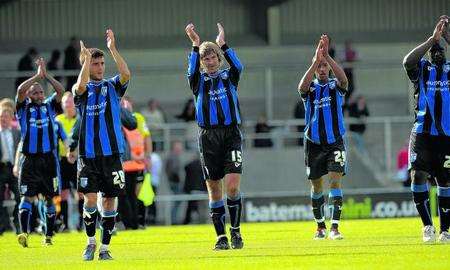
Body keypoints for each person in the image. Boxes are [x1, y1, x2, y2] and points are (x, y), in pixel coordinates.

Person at [70, 29, 131, 260]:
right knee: (90, 199)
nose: (100, 67)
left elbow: (126, 74)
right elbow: (81, 86)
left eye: (102, 63)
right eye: (95, 63)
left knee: (109, 199)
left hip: (112, 154)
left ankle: (105, 248)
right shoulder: (81, 91)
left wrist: (113, 49)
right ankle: (90, 243)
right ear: (87, 65)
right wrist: (84, 63)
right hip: (89, 155)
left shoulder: (112, 86)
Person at [185, 22, 244, 250]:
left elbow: (239, 66)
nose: (209, 63)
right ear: (202, 62)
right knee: (214, 189)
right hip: (208, 137)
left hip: (231, 135)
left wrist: (224, 45)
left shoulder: (230, 76)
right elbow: (191, 70)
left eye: (213, 58)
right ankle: (221, 237)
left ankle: (236, 232)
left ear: (219, 59)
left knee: (231, 186)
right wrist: (194, 44)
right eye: (205, 59)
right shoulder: (197, 80)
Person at [402, 15, 450, 243]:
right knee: (417, 174)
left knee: (445, 181)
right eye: (434, 49)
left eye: (441, 48)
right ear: (430, 53)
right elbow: (407, 61)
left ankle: (445, 231)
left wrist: (447, 37)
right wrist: (432, 39)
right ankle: (427, 227)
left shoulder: (449, 70)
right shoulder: (422, 69)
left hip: (446, 136)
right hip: (421, 132)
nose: (438, 50)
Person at [297, 34, 348, 240]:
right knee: (317, 185)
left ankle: (335, 228)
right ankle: (320, 227)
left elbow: (344, 79)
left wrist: (326, 56)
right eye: (319, 66)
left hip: (335, 141)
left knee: (335, 183)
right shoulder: (309, 89)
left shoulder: (336, 86)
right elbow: (301, 87)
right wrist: (315, 61)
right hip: (314, 143)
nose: (322, 69)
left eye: (324, 66)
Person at [15, 57, 64, 247]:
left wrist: (46, 76)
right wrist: (36, 75)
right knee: (26, 197)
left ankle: (48, 235)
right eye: (35, 92)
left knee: (50, 198)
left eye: (41, 92)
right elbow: (20, 91)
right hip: (29, 160)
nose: (40, 95)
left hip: (49, 160)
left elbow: (61, 91)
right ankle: (25, 234)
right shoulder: (23, 109)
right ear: (29, 95)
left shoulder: (50, 106)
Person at [55, 92, 80, 231]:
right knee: (63, 192)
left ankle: (81, 223)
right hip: (62, 160)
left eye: (70, 102)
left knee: (80, 192)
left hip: (78, 159)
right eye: (65, 102)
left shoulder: (80, 119)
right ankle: (64, 223)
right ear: (62, 105)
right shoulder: (57, 120)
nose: (68, 105)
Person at [0, 106, 21, 235]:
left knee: (20, 196)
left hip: (14, 169)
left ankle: (18, 225)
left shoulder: (16, 133)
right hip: (1, 169)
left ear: (11, 118)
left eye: (6, 117)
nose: (3, 119)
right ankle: (2, 226)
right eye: (1, 117)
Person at [183, 154, 206, 224]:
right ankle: (201, 220)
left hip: (193, 190)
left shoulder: (190, 166)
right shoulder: (204, 166)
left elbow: (186, 168)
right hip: (202, 190)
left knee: (191, 206)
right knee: (202, 207)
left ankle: (188, 221)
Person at [165, 140, 183, 224]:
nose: (180, 149)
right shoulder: (173, 157)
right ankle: (173, 220)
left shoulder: (174, 157)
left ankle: (174, 219)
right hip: (174, 182)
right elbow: (172, 171)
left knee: (177, 201)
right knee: (177, 200)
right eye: (178, 147)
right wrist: (177, 179)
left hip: (174, 182)